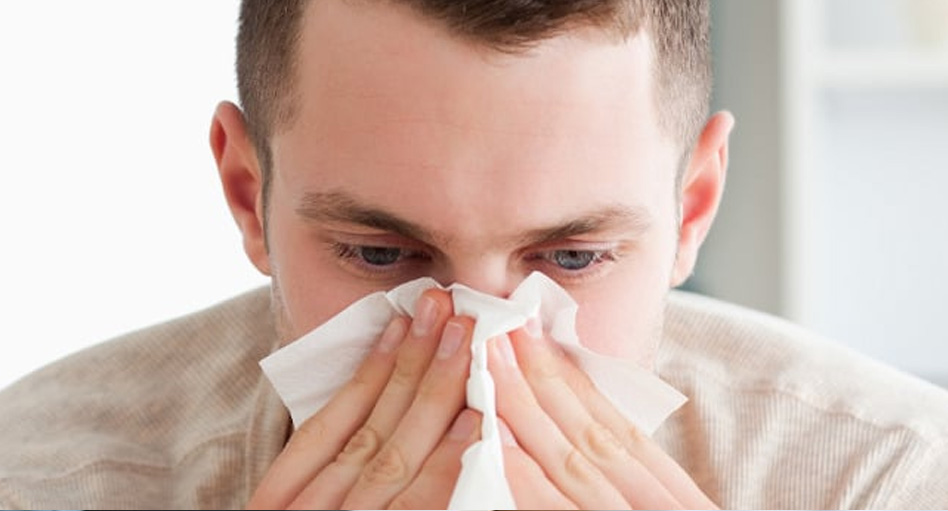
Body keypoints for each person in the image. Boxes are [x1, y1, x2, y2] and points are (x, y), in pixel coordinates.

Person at [2, 0, 948, 508]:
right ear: (249, 196)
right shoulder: (37, 479)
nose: (480, 359)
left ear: (690, 207)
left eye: (573, 259)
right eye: (378, 253)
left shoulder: (883, 481)